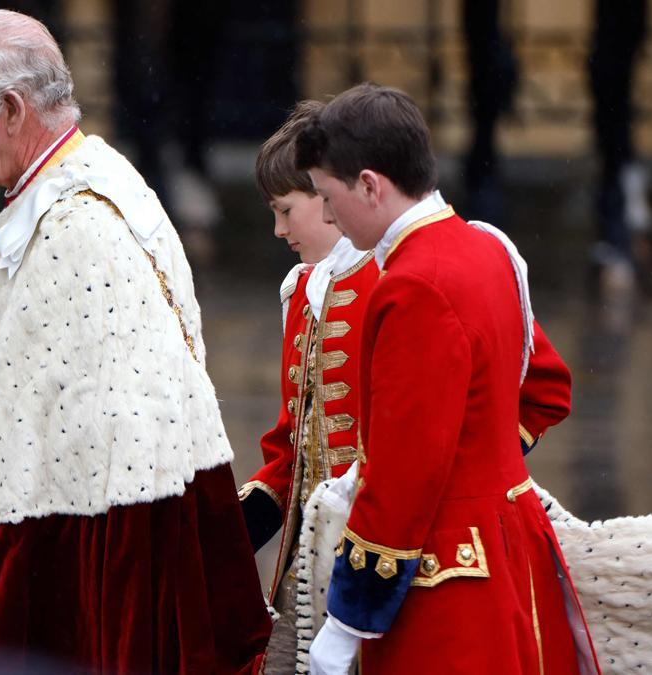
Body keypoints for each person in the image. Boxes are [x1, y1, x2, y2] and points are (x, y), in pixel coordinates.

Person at [0, 10, 270, 674]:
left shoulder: (83, 228)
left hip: (63, 582)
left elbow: (113, 462)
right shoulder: (73, 183)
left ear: (14, 110)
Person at [295, 83, 600, 674]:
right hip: (513, 553)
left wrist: (350, 618)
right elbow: (530, 393)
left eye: (329, 197)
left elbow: (404, 476)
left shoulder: (415, 286)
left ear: (369, 184)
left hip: (449, 581)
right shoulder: (486, 248)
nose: (327, 215)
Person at [238, 100, 381, 672]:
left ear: (328, 198)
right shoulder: (301, 291)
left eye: (285, 210)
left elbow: (533, 394)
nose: (277, 229)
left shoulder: (396, 272)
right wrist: (225, 536)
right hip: (306, 562)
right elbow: (292, 449)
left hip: (383, 551)